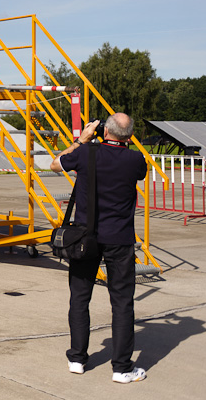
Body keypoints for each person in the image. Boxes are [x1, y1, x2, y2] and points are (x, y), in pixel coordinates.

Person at [50, 113, 148, 384]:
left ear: (104, 131)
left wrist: (81, 140)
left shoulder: (85, 153)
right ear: (128, 136)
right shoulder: (135, 159)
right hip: (120, 239)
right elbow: (139, 172)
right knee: (122, 302)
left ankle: (77, 359)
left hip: (85, 238)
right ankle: (122, 368)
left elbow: (55, 165)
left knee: (80, 298)